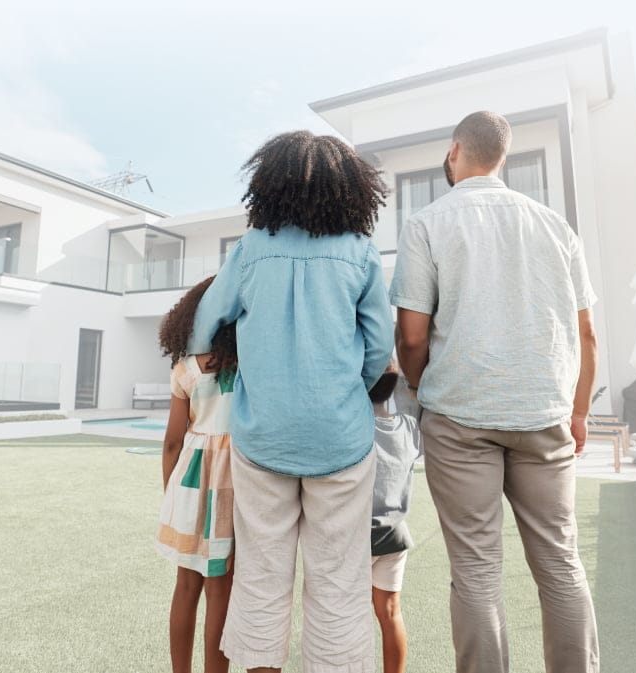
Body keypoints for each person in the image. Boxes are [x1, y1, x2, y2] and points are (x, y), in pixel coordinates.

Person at [391, 111, 601, 673]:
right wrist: (580, 412)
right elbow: (586, 335)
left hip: (458, 417)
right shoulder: (556, 227)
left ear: (454, 151)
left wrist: (420, 386)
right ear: (503, 157)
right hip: (545, 415)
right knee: (560, 564)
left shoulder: (427, 224)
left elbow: (411, 337)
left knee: (477, 573)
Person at [187, 130, 393, 673]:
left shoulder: (252, 248)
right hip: (342, 440)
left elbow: (205, 323)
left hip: (263, 437)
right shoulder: (360, 251)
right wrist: (347, 389)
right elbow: (379, 346)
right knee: (339, 581)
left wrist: (223, 358)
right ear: (349, 187)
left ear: (269, 183)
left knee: (260, 577)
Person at [155, 276, 238, 673]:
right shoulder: (249, 368)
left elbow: (173, 442)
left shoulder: (186, 370)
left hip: (188, 481)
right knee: (221, 589)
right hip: (233, 482)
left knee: (186, 586)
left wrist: (171, 495)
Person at [367, 360, 422, 673]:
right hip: (396, 535)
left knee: (349, 616)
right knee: (390, 613)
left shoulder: (356, 428)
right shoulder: (409, 428)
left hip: (360, 536)